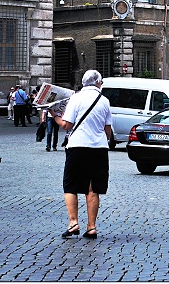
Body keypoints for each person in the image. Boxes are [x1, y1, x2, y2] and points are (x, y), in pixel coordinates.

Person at [55, 69, 113, 240]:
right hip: (99, 148)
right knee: (93, 188)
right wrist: (103, 140)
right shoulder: (104, 100)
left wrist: (54, 115)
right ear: (97, 83)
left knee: (70, 185)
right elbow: (107, 129)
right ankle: (91, 227)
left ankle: (73, 223)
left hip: (77, 146)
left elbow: (66, 125)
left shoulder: (75, 98)